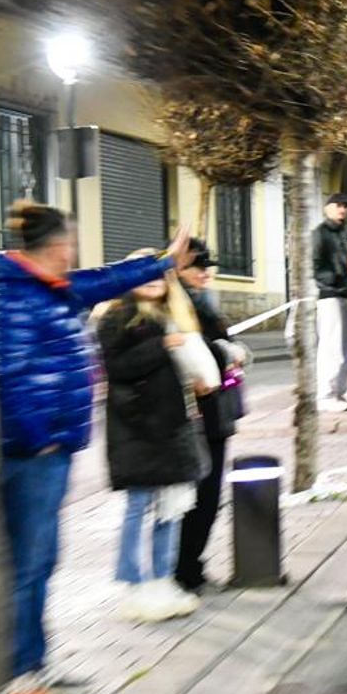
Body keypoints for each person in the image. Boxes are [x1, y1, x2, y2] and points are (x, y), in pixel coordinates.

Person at [0, 202, 190, 694]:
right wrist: (39, 437)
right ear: (57, 246)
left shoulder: (52, 287)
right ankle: (14, 678)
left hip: (53, 448)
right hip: (33, 452)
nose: (75, 253)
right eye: (71, 243)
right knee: (26, 565)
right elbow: (7, 375)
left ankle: (35, 663)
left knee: (43, 561)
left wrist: (164, 261)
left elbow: (105, 278)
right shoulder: (14, 292)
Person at [97, 258, 216, 624]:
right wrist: (163, 346)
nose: (152, 282)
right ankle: (134, 584)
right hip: (137, 429)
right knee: (139, 507)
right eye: (143, 275)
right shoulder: (115, 316)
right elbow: (117, 367)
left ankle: (163, 579)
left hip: (173, 428)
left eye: (159, 276)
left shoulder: (174, 316)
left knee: (171, 508)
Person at [175, 239, 249, 595]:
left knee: (209, 496)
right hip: (196, 416)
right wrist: (224, 353)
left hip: (217, 412)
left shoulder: (203, 302)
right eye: (196, 266)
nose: (205, 272)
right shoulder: (178, 305)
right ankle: (185, 568)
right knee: (198, 497)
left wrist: (230, 351)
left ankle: (193, 565)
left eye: (208, 266)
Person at [313, 192, 347, 412]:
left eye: (345, 206)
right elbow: (315, 264)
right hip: (330, 295)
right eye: (338, 205)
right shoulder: (320, 234)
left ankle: (339, 391)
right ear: (327, 208)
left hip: (345, 293)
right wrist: (334, 280)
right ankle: (326, 395)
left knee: (345, 347)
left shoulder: (345, 233)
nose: (343, 209)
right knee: (331, 347)